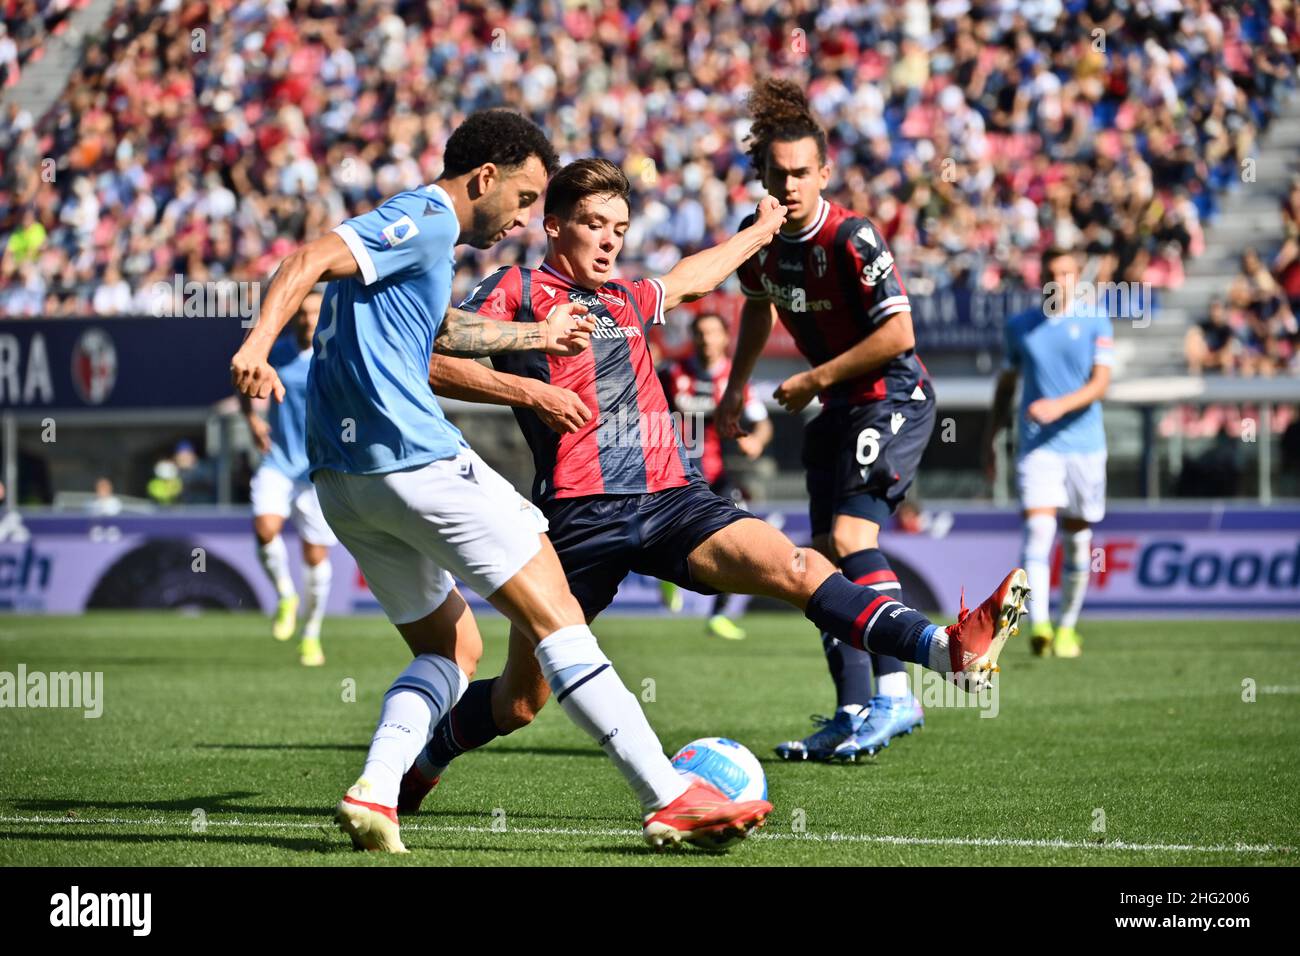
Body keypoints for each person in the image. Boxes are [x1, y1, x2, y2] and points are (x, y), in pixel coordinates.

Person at [401, 157, 1027, 809]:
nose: (611, 238)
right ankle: (424, 759)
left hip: (674, 501)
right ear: (554, 228)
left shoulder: (628, 297)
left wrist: (758, 234)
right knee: (520, 701)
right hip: (579, 522)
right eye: (594, 224)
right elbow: (434, 354)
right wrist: (524, 387)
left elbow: (690, 279)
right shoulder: (518, 288)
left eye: (620, 225)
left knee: (796, 564)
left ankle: (946, 652)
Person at [230, 109, 772, 853]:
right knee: (558, 615)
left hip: (344, 484)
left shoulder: (417, 249)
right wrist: (257, 345)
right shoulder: (423, 216)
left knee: (452, 652)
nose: (522, 219)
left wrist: (534, 339)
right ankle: (668, 795)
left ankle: (375, 792)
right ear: (485, 177)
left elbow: (444, 333)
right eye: (522, 200)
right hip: (415, 461)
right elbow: (303, 261)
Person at [718, 79, 936, 762]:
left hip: (890, 394)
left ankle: (897, 695)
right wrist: (735, 388)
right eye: (777, 174)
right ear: (761, 175)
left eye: (801, 174)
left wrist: (813, 376)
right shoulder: (758, 241)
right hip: (837, 408)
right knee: (816, 559)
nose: (789, 186)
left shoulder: (853, 236)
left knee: (849, 534)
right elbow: (756, 308)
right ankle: (850, 709)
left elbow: (899, 334)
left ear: (824, 173)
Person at [985, 246, 1113, 658]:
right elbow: (1006, 385)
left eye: (1067, 273)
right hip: (1037, 446)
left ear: (1078, 278)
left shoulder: (1095, 321)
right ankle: (1038, 623)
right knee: (1039, 531)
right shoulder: (1020, 326)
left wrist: (1058, 405)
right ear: (1041, 277)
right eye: (1052, 272)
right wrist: (991, 436)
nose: (1060, 280)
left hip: (1085, 448)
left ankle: (1068, 628)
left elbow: (1101, 384)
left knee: (1078, 541)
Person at [238, 286, 337, 665]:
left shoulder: (333, 355)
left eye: (315, 314)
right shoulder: (277, 351)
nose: (309, 321)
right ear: (294, 316)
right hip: (279, 460)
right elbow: (245, 371)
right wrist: (251, 419)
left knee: (315, 557)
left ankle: (311, 634)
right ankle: (285, 595)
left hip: (317, 470)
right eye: (303, 314)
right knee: (264, 529)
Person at [660, 311, 774, 639]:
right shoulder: (672, 374)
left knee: (739, 533)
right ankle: (666, 575)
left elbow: (762, 422)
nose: (707, 339)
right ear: (693, 338)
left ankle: (719, 615)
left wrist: (757, 440)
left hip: (717, 474)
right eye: (700, 333)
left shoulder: (735, 380)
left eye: (713, 332)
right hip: (675, 472)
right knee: (669, 535)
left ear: (725, 338)